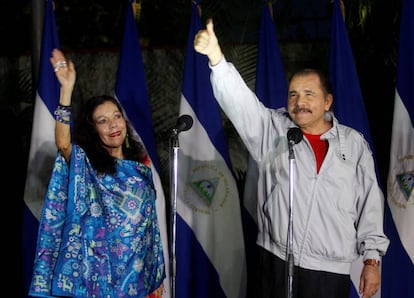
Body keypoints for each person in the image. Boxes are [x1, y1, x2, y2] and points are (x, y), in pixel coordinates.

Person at [194, 20, 390, 298]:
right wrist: (216, 59)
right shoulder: (273, 129)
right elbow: (240, 104)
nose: (299, 102)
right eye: (293, 94)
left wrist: (371, 260)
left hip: (329, 269)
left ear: (327, 102)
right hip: (276, 259)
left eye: (309, 94)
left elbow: (369, 204)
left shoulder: (354, 144)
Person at [28, 49, 166, 298]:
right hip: (97, 282)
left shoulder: (141, 171)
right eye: (102, 121)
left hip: (139, 283)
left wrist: (152, 276)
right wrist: (66, 90)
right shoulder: (87, 169)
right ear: (93, 130)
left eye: (116, 117)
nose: (113, 124)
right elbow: (63, 144)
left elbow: (148, 233)